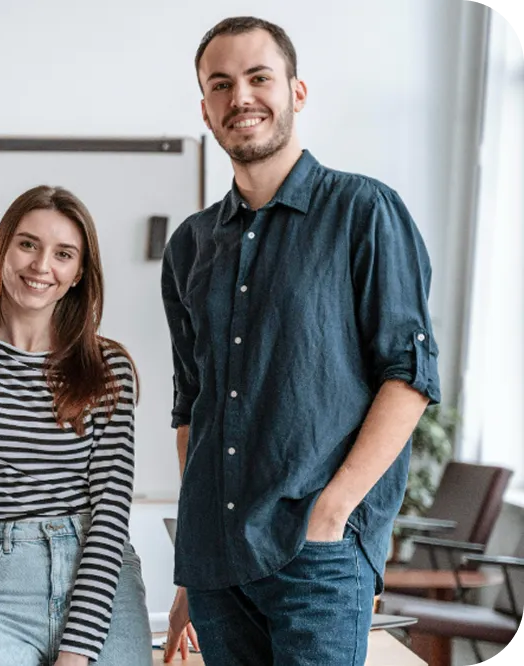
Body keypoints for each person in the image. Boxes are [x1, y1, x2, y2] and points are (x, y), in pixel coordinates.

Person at [159, 16, 441, 665]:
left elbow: (410, 376)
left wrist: (332, 514)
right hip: (216, 562)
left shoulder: (364, 211)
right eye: (221, 85)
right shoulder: (190, 245)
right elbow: (191, 407)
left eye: (259, 78)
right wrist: (190, 564)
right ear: (205, 108)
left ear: (297, 90)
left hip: (317, 554)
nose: (242, 98)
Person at [0, 185, 152, 666]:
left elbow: (110, 508)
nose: (41, 266)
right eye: (28, 244)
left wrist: (78, 649)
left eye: (63, 254)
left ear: (79, 272)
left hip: (100, 581)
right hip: (1, 585)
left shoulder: (108, 367)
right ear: (2, 246)